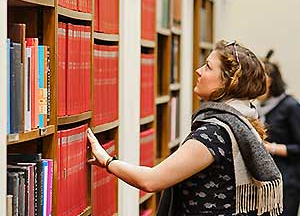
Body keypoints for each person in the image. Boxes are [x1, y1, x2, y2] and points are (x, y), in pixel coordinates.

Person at [87, 40, 283, 216]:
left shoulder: (214, 134)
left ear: (228, 83)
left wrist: (107, 161)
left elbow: (151, 181)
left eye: (208, 67)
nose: (198, 71)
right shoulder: (242, 121)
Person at [258, 56, 300, 216]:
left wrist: (272, 148)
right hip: (268, 181)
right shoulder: (260, 107)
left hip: (288, 182)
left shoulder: (290, 106)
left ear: (271, 83)